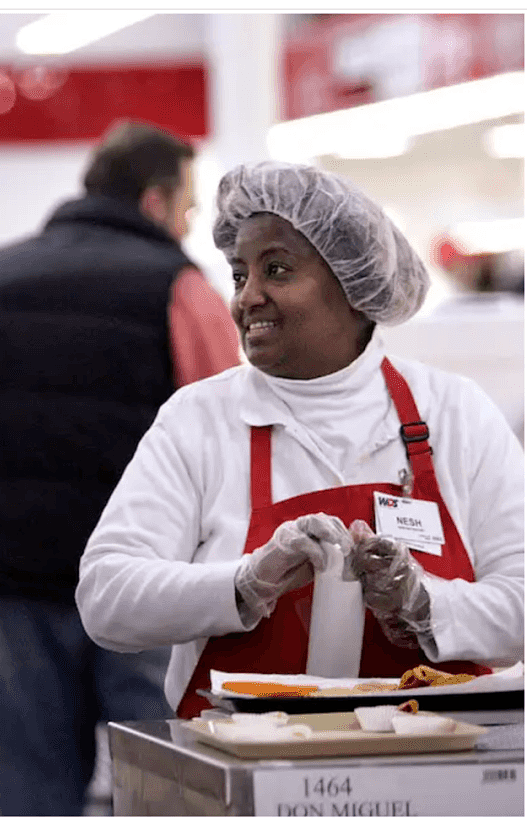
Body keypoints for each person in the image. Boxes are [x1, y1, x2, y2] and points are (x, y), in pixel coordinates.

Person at [76, 160, 525, 720]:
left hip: (437, 770)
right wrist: (243, 584)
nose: (246, 298)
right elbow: (106, 596)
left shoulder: (454, 413)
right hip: (249, 774)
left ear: (354, 283)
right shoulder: (200, 420)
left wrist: (425, 602)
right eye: (241, 275)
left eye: (278, 270)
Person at [0, 120, 240, 815]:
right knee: (164, 773)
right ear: (155, 201)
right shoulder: (177, 285)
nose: (188, 222)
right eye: (189, 206)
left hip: (17, 573)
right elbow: (227, 418)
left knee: (34, 777)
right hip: (144, 576)